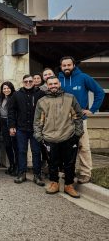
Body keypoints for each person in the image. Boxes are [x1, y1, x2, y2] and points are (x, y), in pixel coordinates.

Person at [34, 76, 84, 198]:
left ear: (59, 84)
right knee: (52, 162)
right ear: (47, 85)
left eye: (55, 83)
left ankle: (68, 185)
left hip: (68, 136)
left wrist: (77, 134)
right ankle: (54, 183)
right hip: (49, 138)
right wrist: (39, 136)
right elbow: (38, 121)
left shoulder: (70, 98)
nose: (53, 86)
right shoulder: (42, 101)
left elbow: (78, 116)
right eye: (50, 84)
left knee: (69, 163)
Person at [58, 56, 105, 184]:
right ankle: (68, 172)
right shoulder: (59, 79)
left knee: (83, 147)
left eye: (69, 65)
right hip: (63, 121)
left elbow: (100, 92)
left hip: (79, 119)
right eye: (64, 65)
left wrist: (92, 109)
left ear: (73, 65)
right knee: (65, 147)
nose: (66, 67)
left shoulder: (83, 77)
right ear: (61, 67)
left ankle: (85, 174)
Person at [8, 75, 45, 186]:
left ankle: (37, 175)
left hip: (36, 129)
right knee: (21, 151)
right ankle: (22, 173)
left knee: (36, 152)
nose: (28, 83)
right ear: (22, 82)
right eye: (26, 81)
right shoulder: (17, 94)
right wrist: (12, 126)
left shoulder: (40, 94)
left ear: (34, 82)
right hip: (21, 129)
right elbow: (11, 111)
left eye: (30, 81)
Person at [0, 81, 18, 176]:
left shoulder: (15, 97)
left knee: (15, 146)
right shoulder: (1, 98)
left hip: (11, 123)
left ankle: (17, 167)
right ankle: (11, 165)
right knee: (7, 145)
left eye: (8, 88)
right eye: (4, 88)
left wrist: (13, 125)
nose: (6, 90)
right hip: (3, 123)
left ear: (11, 88)